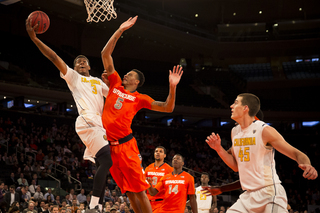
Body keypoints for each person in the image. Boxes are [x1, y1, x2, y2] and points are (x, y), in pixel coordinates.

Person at [26, 16, 113, 213]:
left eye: (84, 61)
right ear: (74, 68)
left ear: (89, 66)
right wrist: (35, 39)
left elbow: (116, 99)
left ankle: (97, 206)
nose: (81, 63)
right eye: (77, 62)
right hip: (86, 120)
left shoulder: (99, 83)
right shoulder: (73, 78)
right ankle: (93, 206)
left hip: (99, 124)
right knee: (107, 159)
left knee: (105, 164)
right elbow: (54, 57)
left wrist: (111, 84)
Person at [100, 16, 183, 213]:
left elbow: (167, 108)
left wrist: (172, 87)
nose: (126, 75)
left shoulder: (140, 98)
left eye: (130, 75)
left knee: (140, 191)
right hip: (109, 148)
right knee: (129, 192)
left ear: (137, 82)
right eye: (126, 73)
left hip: (126, 146)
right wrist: (120, 30)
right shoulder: (115, 83)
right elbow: (105, 53)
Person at [205, 93, 318, 212]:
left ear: (245, 108)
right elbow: (235, 166)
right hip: (248, 196)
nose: (231, 106)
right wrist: (218, 149)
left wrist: (308, 165)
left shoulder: (264, 130)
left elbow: (296, 154)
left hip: (269, 193)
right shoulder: (235, 131)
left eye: (236, 102)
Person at [145, 146, 174, 213]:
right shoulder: (148, 168)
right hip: (148, 202)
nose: (158, 153)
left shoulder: (169, 169)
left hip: (161, 202)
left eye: (160, 151)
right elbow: (144, 187)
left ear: (165, 155)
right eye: (156, 151)